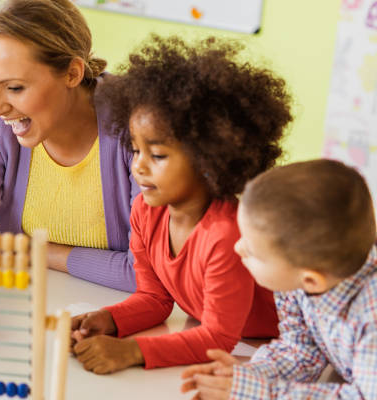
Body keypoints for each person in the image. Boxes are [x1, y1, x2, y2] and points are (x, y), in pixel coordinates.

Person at [70, 35, 293, 373]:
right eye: (135, 149)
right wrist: (108, 319)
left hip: (288, 344)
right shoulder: (145, 212)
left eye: (157, 155)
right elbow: (155, 299)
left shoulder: (226, 232)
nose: (138, 166)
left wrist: (130, 352)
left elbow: (218, 336)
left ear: (209, 159)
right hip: (246, 345)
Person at [0, 0, 139, 291]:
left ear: (72, 74)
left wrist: (33, 251)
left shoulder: (136, 123)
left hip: (116, 316)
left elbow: (144, 273)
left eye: (15, 88)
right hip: (24, 304)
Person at [181, 159, 377, 400]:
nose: (238, 247)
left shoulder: (370, 317)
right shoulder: (297, 280)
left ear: (312, 281)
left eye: (253, 251)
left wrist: (261, 393)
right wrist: (248, 377)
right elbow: (300, 352)